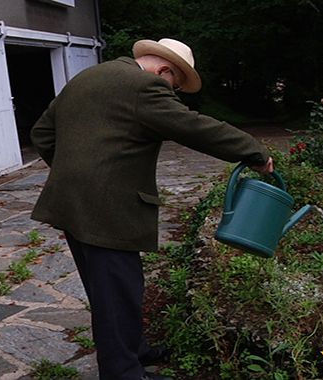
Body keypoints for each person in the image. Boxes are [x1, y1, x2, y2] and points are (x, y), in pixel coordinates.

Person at [30, 38, 274, 380]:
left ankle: (135, 351)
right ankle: (122, 373)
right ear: (163, 71)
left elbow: (42, 133)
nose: (170, 92)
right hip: (107, 208)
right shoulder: (144, 86)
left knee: (110, 288)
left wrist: (74, 172)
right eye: (173, 85)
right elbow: (194, 127)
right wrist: (254, 152)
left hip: (71, 202)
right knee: (118, 293)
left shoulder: (89, 76)